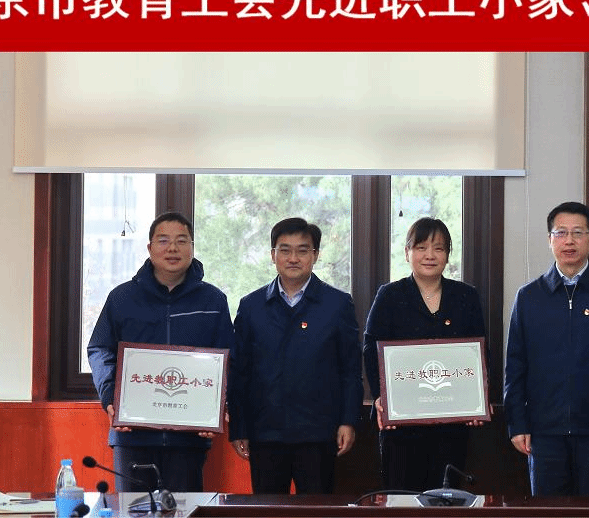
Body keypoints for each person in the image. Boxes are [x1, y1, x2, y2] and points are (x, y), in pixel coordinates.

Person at [87, 211, 234, 493]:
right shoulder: (122, 298)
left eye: (182, 240)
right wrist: (110, 396)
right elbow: (100, 349)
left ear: (192, 247)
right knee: (133, 510)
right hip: (132, 435)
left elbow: (229, 359)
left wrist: (217, 407)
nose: (172, 248)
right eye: (163, 240)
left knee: (183, 510)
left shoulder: (213, 300)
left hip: (189, 437)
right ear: (150, 247)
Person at [504, 200, 589, 497]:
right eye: (561, 232)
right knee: (548, 513)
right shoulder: (529, 297)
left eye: (578, 233)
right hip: (544, 432)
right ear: (549, 239)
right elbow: (514, 367)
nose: (569, 241)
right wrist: (517, 423)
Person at [228, 217, 363, 494]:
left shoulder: (337, 304)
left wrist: (348, 420)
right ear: (272, 255)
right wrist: (239, 427)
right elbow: (239, 371)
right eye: (285, 250)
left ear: (315, 255)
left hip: (318, 433)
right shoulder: (251, 306)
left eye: (302, 250)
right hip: (265, 433)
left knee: (316, 511)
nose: (293, 258)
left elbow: (350, 369)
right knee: (268, 511)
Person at [363, 217, 487, 491]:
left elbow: (479, 350)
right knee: (401, 497)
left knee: (446, 498)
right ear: (407, 252)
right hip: (401, 426)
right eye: (421, 247)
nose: (430, 255)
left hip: (452, 423)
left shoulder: (466, 296)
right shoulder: (390, 295)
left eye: (439, 248)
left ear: (447, 255)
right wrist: (383, 398)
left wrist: (478, 398)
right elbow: (371, 348)